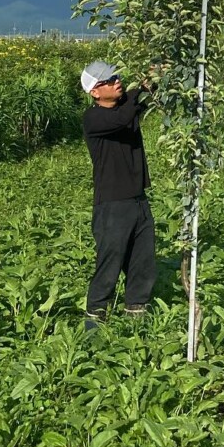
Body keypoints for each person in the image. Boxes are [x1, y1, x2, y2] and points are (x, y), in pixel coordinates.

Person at [80, 59, 157, 329]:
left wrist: (155, 76)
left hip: (137, 199)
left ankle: (136, 317)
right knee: (109, 263)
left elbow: (141, 100)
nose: (117, 82)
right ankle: (93, 324)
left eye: (117, 77)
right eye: (109, 80)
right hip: (112, 204)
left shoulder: (126, 106)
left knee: (142, 261)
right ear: (95, 92)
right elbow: (124, 117)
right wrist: (142, 88)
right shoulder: (93, 118)